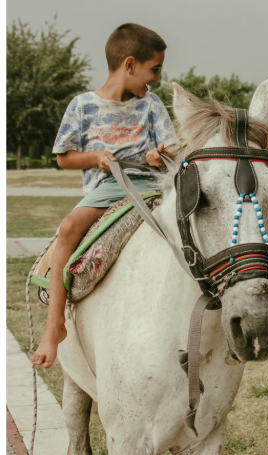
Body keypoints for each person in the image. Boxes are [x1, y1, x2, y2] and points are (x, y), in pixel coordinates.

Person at [30, 23, 176, 369]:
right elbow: (63, 157)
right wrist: (96, 157)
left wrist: (161, 155)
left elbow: (170, 146)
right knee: (68, 228)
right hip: (106, 189)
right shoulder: (83, 106)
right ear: (129, 65)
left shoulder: (152, 106)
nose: (155, 78)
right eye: (153, 69)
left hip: (151, 183)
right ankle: (55, 326)